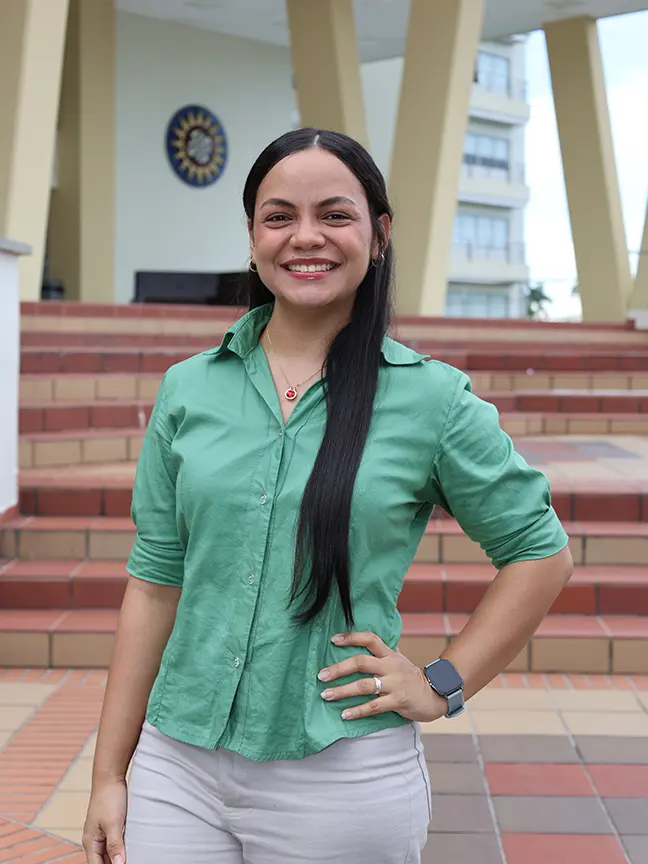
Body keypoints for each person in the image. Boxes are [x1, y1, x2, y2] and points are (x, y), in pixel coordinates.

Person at [82, 128, 573, 864]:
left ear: (379, 235)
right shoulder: (189, 388)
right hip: (177, 764)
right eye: (279, 216)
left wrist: (441, 683)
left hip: (342, 774)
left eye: (334, 215)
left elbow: (539, 552)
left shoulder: (432, 399)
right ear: (252, 238)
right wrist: (109, 775)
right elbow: (155, 585)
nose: (305, 237)